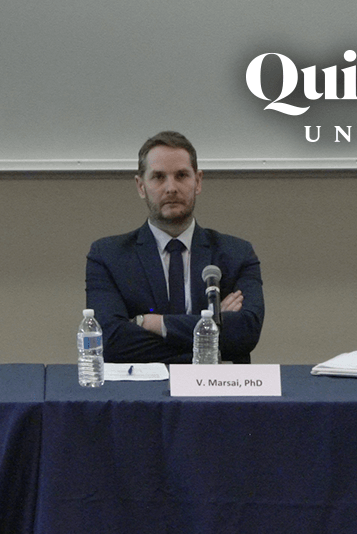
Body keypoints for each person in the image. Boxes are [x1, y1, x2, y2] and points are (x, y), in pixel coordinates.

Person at [85, 131, 264, 364]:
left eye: (181, 175)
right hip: (140, 394)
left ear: (197, 181)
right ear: (141, 186)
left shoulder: (236, 253)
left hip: (217, 392)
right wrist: (212, 332)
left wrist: (154, 323)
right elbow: (111, 342)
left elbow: (245, 334)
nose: (171, 188)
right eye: (158, 177)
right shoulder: (108, 256)